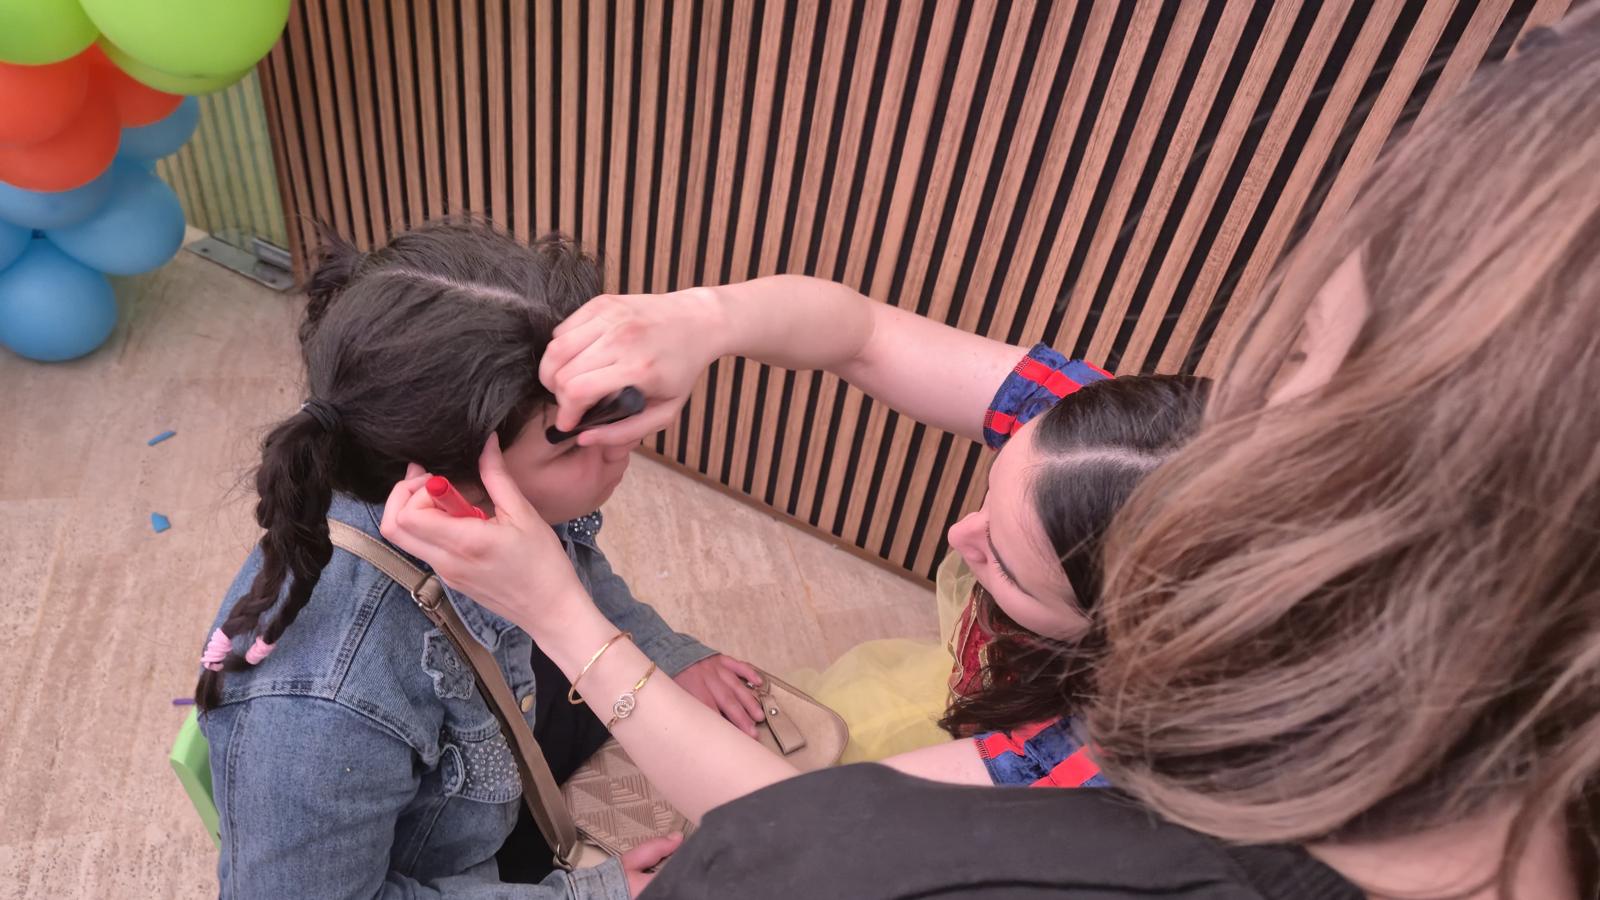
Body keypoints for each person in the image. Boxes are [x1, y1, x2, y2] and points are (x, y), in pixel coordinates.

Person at [380, 8, 1600, 899]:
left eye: (1309, 362)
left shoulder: (1090, 768)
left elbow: (809, 832)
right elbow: (860, 333)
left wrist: (562, 617)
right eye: (1282, 360)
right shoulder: (1103, 437)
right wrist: (706, 317)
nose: (959, 544)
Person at [193, 220, 768, 899]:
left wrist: (661, 653)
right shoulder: (322, 708)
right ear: (444, 487)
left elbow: (579, 572)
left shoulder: (498, 505)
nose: (622, 443)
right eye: (570, 444)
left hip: (517, 740)